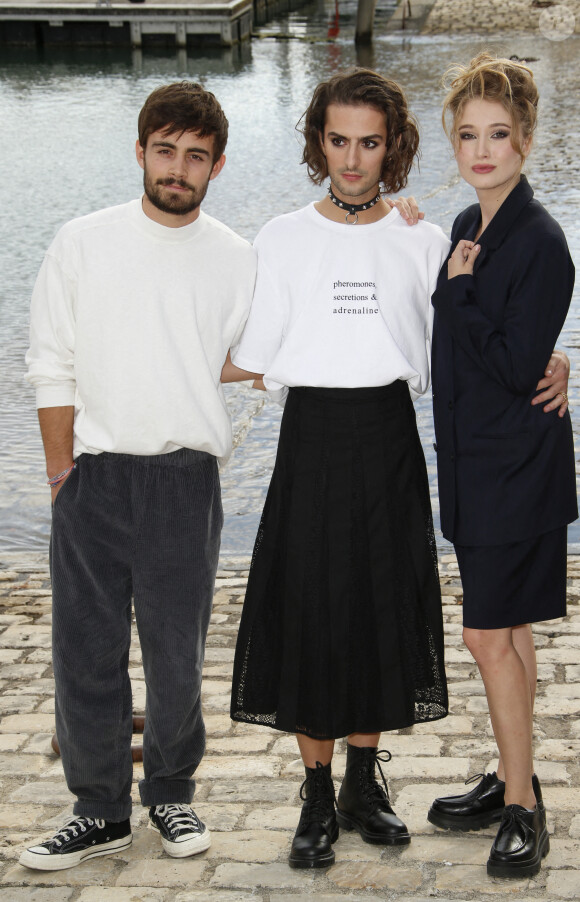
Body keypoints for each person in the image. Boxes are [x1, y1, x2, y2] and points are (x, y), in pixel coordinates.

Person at [20, 81, 256, 871]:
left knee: (175, 650)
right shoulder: (82, 242)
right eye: (166, 151)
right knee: (84, 648)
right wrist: (62, 469)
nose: (178, 169)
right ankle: (98, 810)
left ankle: (172, 795)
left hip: (184, 480)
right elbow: (50, 362)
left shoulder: (235, 258)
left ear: (216, 165)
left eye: (195, 156)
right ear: (141, 150)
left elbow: (248, 354)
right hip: (93, 475)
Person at [222, 68, 451, 870]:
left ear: (393, 148)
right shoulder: (282, 236)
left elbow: (463, 343)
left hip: (388, 436)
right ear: (319, 142)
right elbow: (247, 353)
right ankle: (315, 794)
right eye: (339, 140)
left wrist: (549, 365)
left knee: (381, 603)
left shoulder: (424, 239)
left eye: (370, 142)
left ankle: (362, 783)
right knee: (316, 605)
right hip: (311, 436)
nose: (353, 159)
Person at [427, 53, 577, 879]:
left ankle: (523, 809)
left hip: (516, 472)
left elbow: (521, 366)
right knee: (508, 631)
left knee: (487, 635)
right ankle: (512, 777)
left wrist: (458, 294)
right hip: (477, 466)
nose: (482, 150)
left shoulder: (542, 241)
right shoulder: (464, 229)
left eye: (498, 135)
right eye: (468, 136)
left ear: (524, 142)